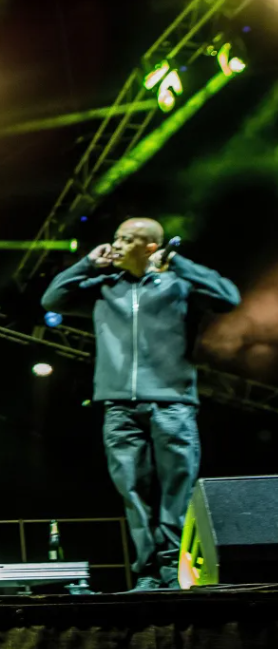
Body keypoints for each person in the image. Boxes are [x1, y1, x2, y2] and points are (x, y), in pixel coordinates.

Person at [42, 218, 240, 591]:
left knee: (176, 492)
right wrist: (87, 263)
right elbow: (51, 300)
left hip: (172, 403)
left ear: (150, 247)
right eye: (115, 237)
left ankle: (173, 570)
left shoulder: (178, 284)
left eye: (126, 239)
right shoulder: (104, 287)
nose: (116, 244)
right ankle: (148, 572)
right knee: (133, 492)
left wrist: (176, 261)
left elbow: (228, 297)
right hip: (118, 406)